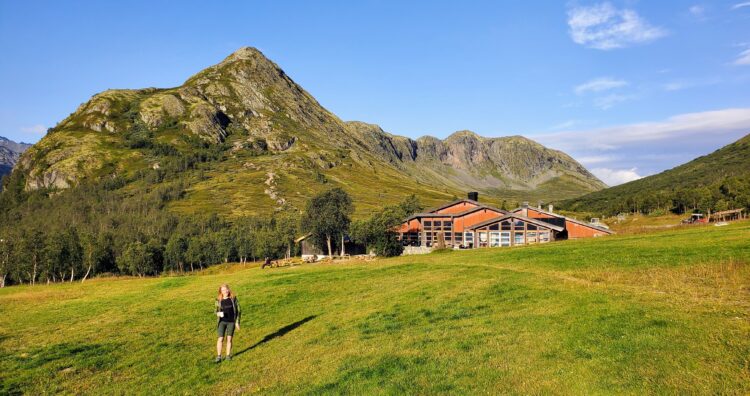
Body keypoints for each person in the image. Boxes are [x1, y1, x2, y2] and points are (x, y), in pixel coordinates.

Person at [214, 284, 241, 363]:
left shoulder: (233, 299)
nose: (224, 291)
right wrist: (219, 314)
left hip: (231, 322)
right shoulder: (218, 300)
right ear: (220, 291)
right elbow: (215, 311)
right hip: (222, 322)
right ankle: (219, 356)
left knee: (229, 339)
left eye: (225, 289)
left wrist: (237, 322)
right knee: (220, 339)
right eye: (222, 290)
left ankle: (228, 356)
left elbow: (239, 311)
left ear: (228, 290)